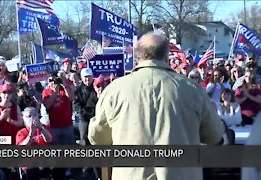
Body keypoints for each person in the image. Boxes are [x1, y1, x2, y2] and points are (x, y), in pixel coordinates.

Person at [88, 32, 224, 180]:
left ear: (137, 56)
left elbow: (97, 137)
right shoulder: (192, 89)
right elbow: (214, 135)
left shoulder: (114, 90)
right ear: (166, 56)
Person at [42, 73, 75, 179]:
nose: (53, 83)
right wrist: (55, 92)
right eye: (51, 81)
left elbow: (72, 98)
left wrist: (64, 85)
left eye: (55, 80)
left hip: (67, 124)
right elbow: (47, 104)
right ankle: (60, 170)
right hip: (54, 126)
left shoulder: (64, 89)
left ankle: (69, 169)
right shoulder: (46, 92)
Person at [16, 107, 53, 180]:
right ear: (24, 119)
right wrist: (31, 132)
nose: (32, 118)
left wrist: (41, 129)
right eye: (29, 116)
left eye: (34, 115)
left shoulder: (44, 128)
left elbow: (49, 140)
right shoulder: (21, 132)